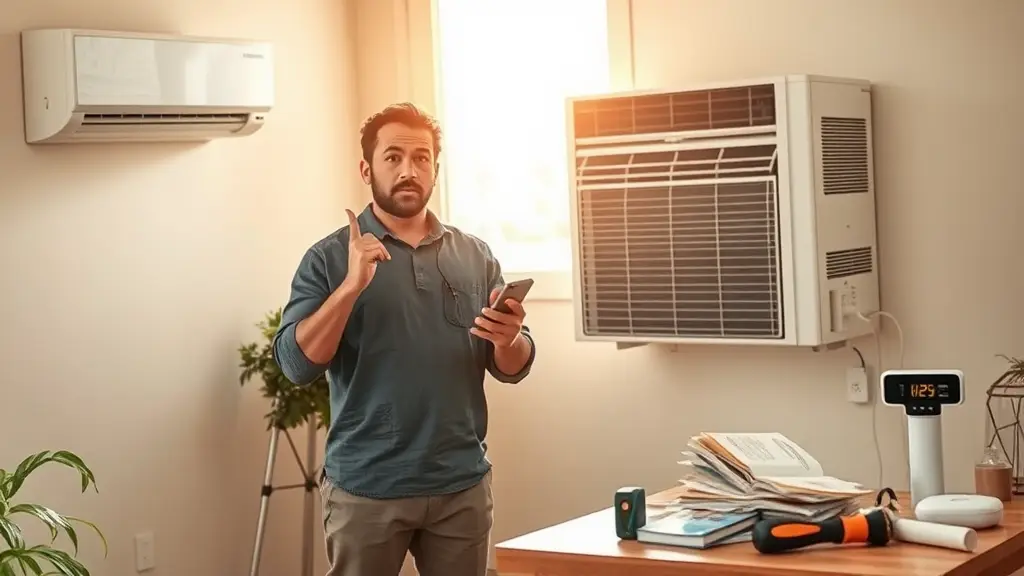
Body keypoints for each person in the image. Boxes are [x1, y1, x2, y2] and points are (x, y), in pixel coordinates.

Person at [272, 102, 536, 576]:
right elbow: (296, 364)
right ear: (366, 168)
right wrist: (351, 287)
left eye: (421, 158)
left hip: (461, 484)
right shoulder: (328, 259)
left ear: (436, 167)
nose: (408, 170)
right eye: (393, 157)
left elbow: (513, 367)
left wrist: (509, 337)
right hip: (366, 488)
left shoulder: (474, 254)